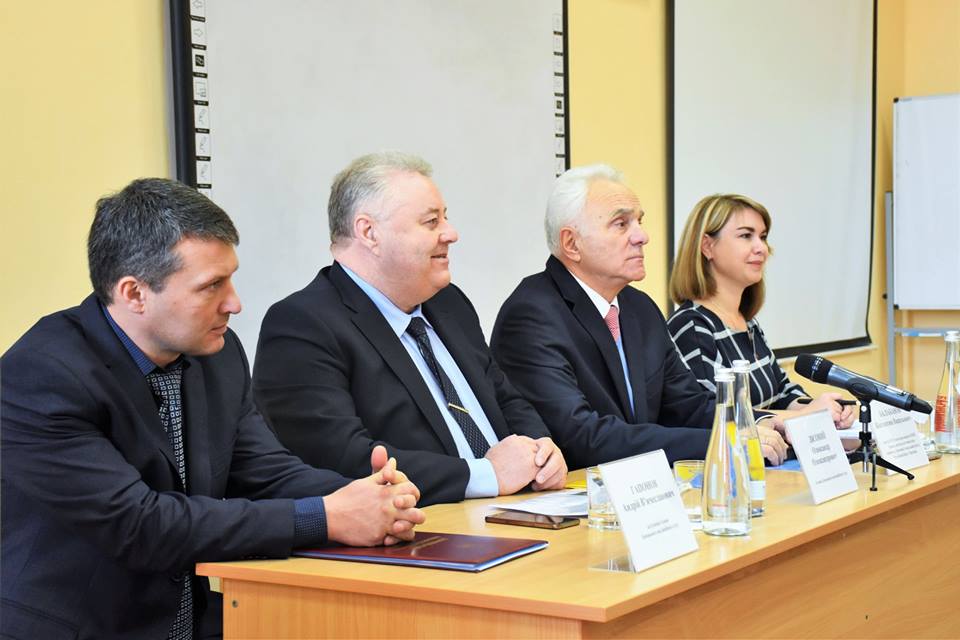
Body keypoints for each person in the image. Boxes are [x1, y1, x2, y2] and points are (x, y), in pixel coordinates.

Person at [0, 178, 425, 640]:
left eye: (231, 278)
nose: (234, 303)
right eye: (211, 286)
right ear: (134, 293)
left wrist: (368, 499)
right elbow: (141, 526)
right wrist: (327, 516)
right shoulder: (43, 375)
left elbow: (266, 472)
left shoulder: (217, 354)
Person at [253, 152, 567, 506]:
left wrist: (540, 449)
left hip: (522, 508)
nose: (451, 233)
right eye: (431, 222)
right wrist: (485, 476)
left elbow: (504, 398)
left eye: (445, 217)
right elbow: (341, 457)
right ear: (369, 233)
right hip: (427, 526)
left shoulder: (449, 303)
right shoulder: (302, 326)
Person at [490, 165, 789, 470]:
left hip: (643, 487)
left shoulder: (639, 307)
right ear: (571, 243)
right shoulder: (531, 315)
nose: (642, 236)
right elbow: (583, 437)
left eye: (639, 221)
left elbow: (687, 405)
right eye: (621, 224)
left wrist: (760, 423)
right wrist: (725, 441)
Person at [667, 193, 855, 429]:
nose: (762, 248)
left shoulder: (747, 323)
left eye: (763, 237)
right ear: (707, 246)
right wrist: (808, 416)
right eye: (746, 236)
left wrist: (826, 409)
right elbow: (715, 416)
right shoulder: (693, 326)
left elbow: (782, 393)